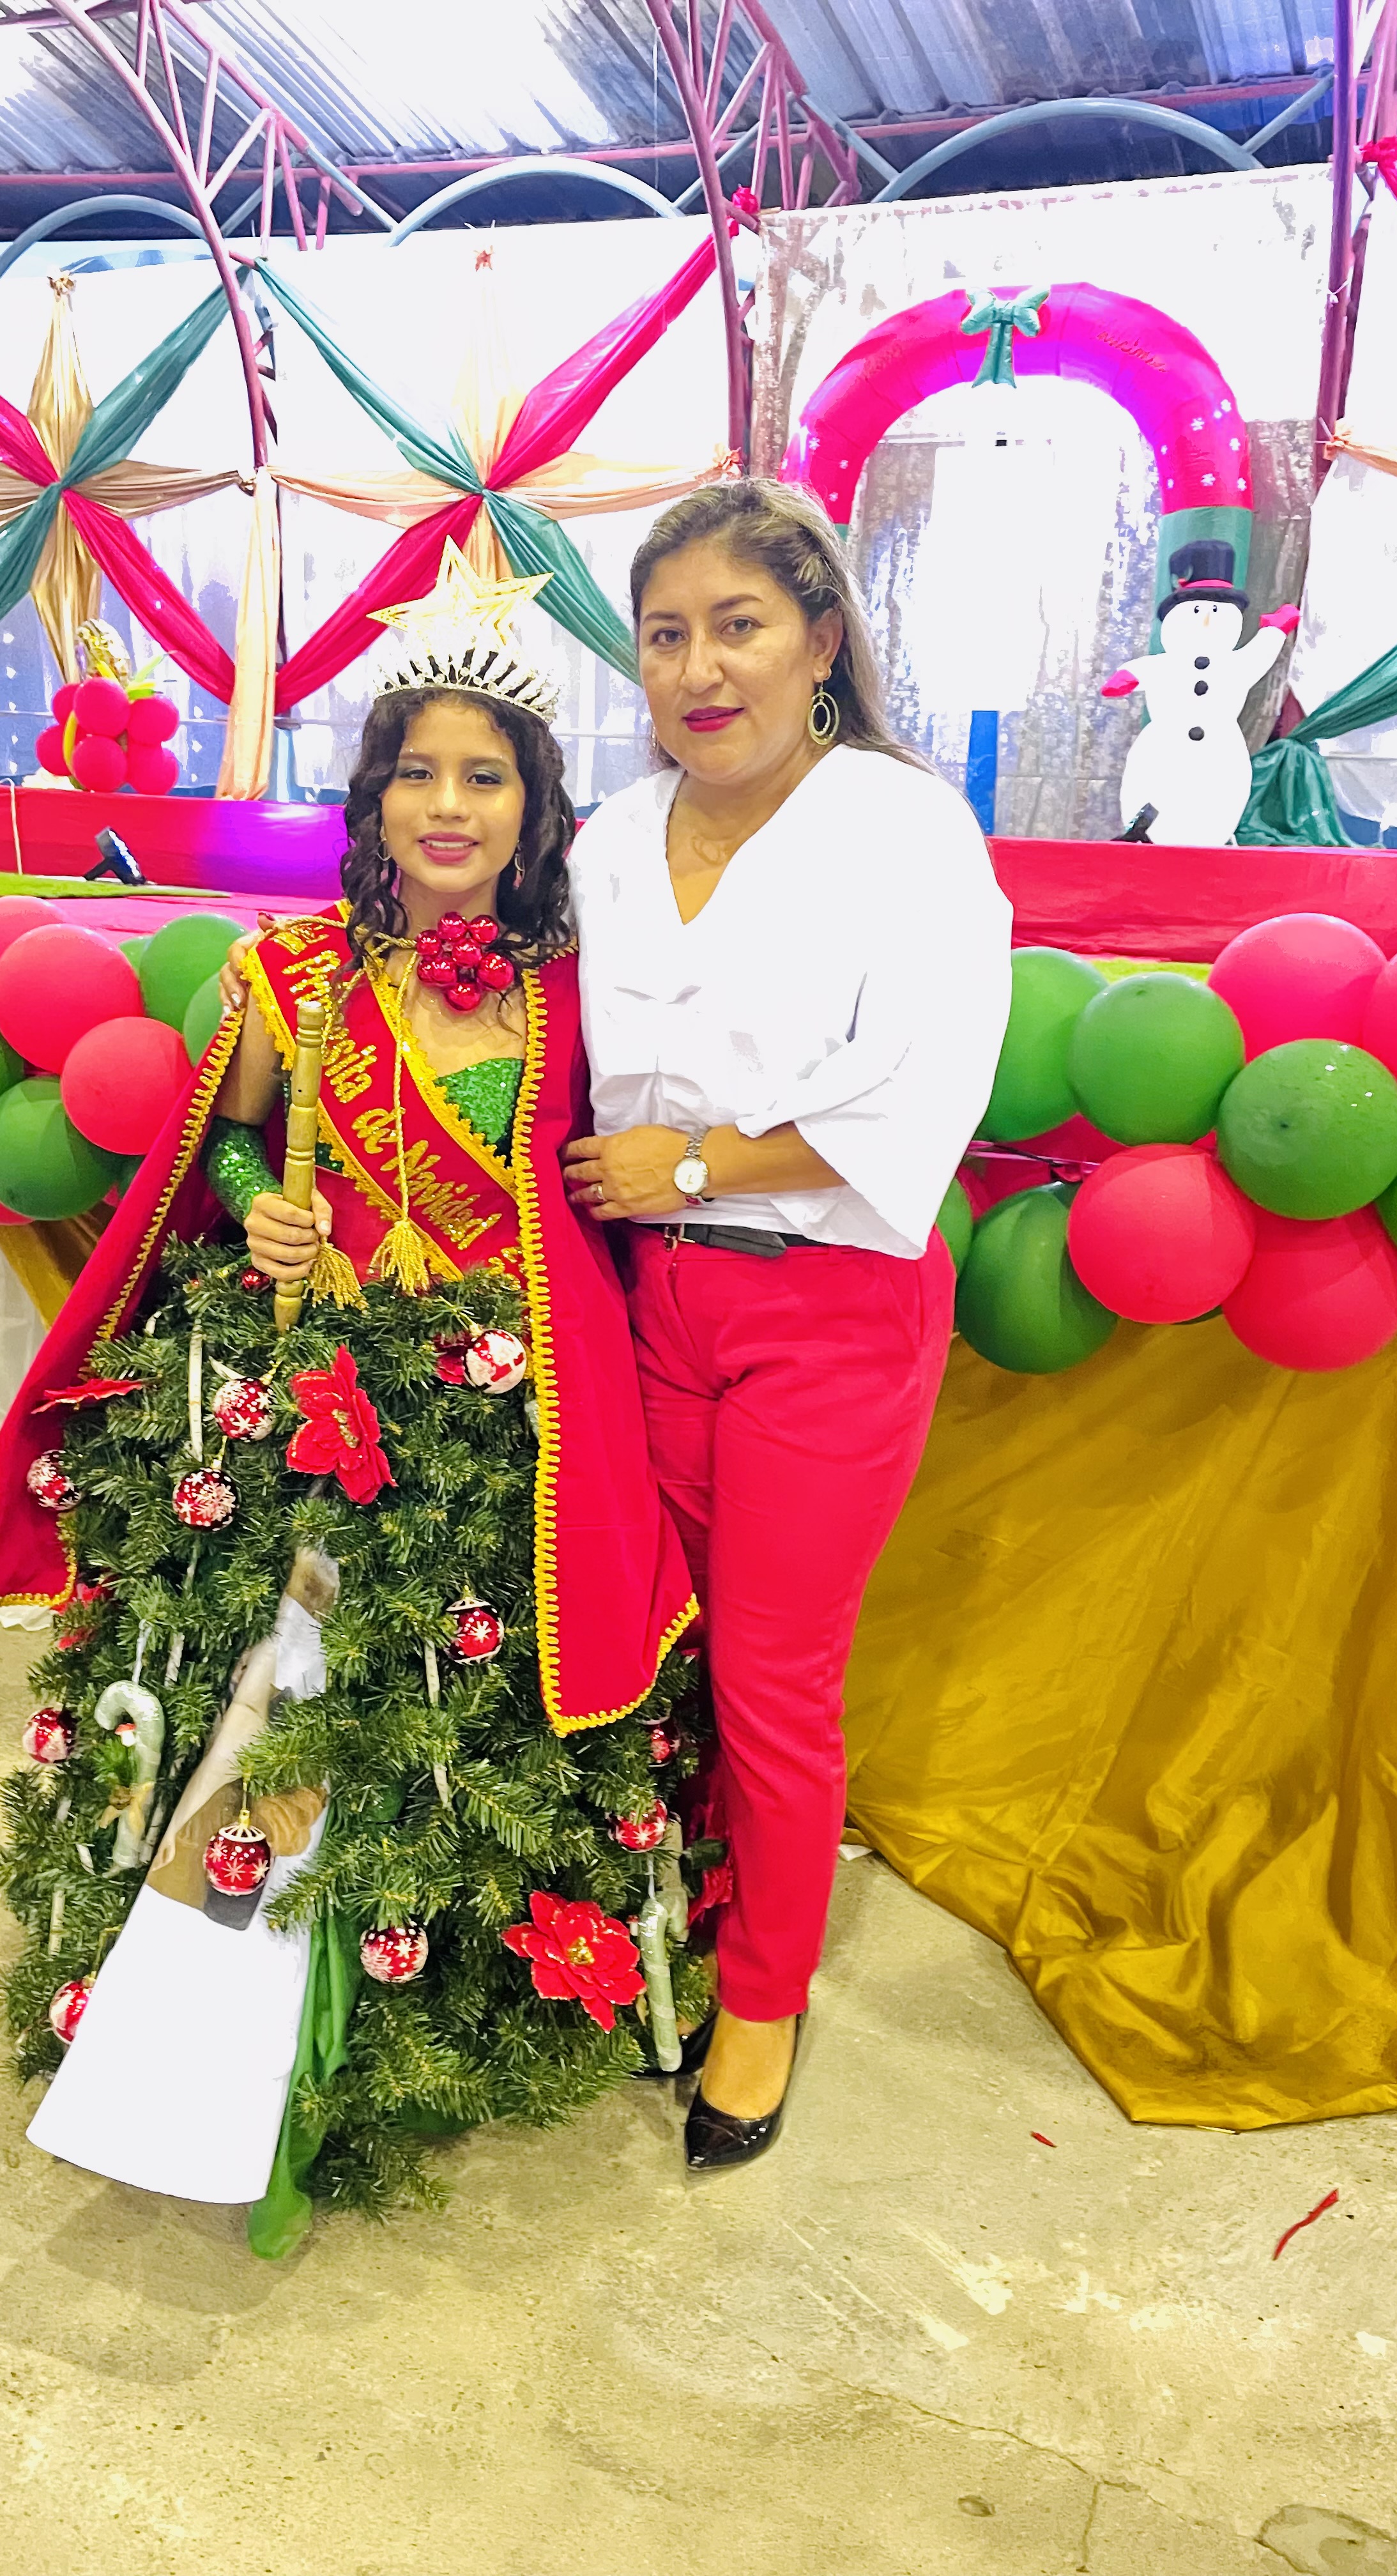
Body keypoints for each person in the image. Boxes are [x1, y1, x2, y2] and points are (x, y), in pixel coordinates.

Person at [0, 546, 700, 2253]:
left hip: (514, 1423)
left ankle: (436, 2010)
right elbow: (222, 1154)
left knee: (458, 1738)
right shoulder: (292, 978)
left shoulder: (581, 991)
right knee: (272, 1708)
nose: (449, 807)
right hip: (321, 1404)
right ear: (373, 798)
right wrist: (260, 1202)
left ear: (536, 805)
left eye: (485, 777)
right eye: (418, 773)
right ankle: (211, 2027)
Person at [558, 477, 1012, 2170]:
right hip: (648, 1297)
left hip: (826, 1307)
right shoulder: (613, 839)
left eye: (737, 626)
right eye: (665, 634)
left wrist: (690, 1160)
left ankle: (764, 1995)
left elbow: (919, 1088)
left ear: (821, 639)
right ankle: (673, 1903)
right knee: (661, 1634)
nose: (700, 669)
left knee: (770, 1675)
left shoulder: (900, 829)